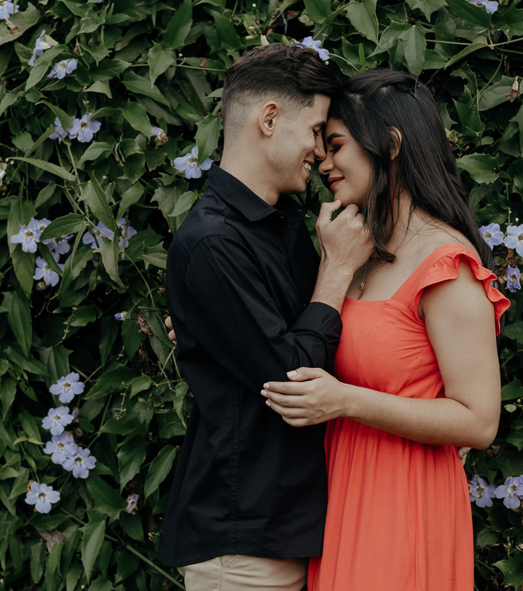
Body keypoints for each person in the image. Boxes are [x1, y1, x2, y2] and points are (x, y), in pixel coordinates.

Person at [260, 70, 509, 590]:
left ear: (391, 145)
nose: (323, 162)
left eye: (336, 145)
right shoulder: (358, 252)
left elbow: (479, 420)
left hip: (404, 504)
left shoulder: (446, 265)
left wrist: (345, 401)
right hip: (340, 496)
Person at [156, 44, 374, 590]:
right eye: (316, 131)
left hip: (290, 531)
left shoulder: (281, 225)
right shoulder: (212, 243)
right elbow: (294, 382)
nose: (320, 152)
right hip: (243, 544)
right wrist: (335, 272)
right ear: (270, 118)